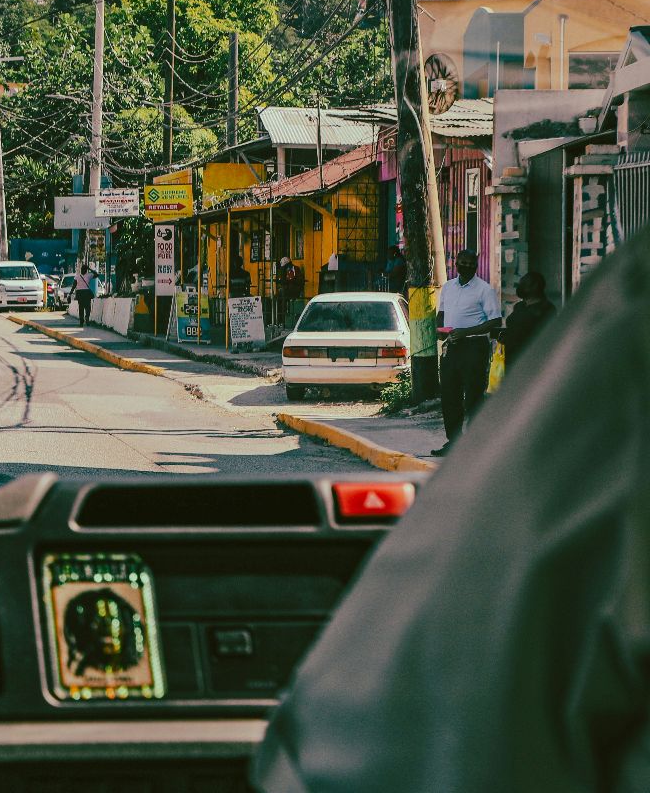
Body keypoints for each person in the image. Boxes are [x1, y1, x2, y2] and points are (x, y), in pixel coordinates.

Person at [254, 229, 650, 793]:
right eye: (459, 259)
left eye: (468, 259)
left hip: (478, 352)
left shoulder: (623, 323)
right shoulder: (459, 295)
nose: (463, 264)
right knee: (458, 407)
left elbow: (383, 744)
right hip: (459, 352)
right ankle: (452, 441)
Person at [434, 248, 501, 455]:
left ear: (476, 266)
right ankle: (453, 442)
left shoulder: (484, 290)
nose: (467, 267)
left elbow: (495, 322)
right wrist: (440, 330)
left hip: (474, 347)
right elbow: (441, 314)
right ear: (456, 264)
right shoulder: (448, 288)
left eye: (471, 264)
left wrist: (465, 332)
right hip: (452, 347)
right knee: (449, 395)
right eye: (463, 263)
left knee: (473, 395)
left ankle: (475, 444)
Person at [497, 270, 556, 371]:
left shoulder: (546, 309)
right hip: (509, 361)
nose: (520, 286)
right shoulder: (520, 306)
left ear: (535, 286)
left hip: (530, 364)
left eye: (524, 284)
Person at [72, 263, 98, 328]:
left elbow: (74, 285)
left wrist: (70, 293)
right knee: (87, 307)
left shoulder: (77, 276)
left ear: (81, 270)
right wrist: (90, 269)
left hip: (80, 293)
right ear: (86, 270)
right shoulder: (89, 275)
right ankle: (87, 319)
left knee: (81, 307)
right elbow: (97, 274)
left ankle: (81, 321)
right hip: (86, 293)